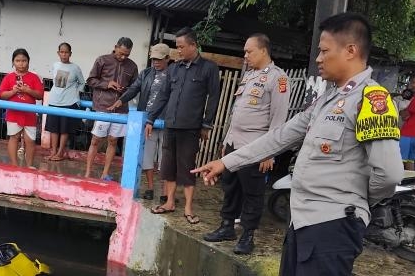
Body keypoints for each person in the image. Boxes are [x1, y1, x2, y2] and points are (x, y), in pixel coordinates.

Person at [193, 12, 403, 276]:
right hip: (305, 219)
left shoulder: (372, 99)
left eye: (325, 50)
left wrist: (354, 201)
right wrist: (227, 160)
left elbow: (389, 176)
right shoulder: (330, 97)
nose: (319, 58)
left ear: (351, 50)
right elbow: (281, 136)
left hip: (332, 223)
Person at [204, 33, 290, 254]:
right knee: (230, 187)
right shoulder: (249, 76)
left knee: (253, 192)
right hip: (234, 143)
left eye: (249, 51)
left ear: (263, 51)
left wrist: (269, 153)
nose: (245, 55)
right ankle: (226, 226)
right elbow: (237, 112)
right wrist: (226, 142)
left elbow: (278, 119)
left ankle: (247, 235)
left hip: (256, 147)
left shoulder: (278, 79)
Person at [147, 27, 221, 224]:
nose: (178, 51)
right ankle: (170, 202)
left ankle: (188, 207)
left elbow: (214, 98)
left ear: (193, 45)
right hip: (170, 125)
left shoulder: (209, 68)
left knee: (187, 168)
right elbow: (163, 95)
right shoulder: (174, 69)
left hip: (190, 127)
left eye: (181, 47)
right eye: (177, 47)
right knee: (168, 166)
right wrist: (150, 118)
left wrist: (206, 124)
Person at [109, 43, 171, 200]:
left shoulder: (174, 74)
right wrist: (121, 100)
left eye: (159, 59)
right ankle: (150, 188)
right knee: (147, 157)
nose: (156, 62)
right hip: (147, 120)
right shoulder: (146, 73)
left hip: (166, 121)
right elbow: (134, 88)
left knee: (166, 158)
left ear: (167, 59)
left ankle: (165, 192)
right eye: (154, 59)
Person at [85, 37, 138, 180]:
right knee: (95, 140)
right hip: (103, 106)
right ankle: (88, 172)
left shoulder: (132, 66)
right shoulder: (102, 60)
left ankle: (104, 173)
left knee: (113, 140)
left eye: (127, 54)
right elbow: (90, 80)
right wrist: (107, 84)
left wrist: (125, 90)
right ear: (115, 47)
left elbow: (135, 87)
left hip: (121, 109)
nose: (123, 57)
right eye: (121, 53)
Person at [0, 48, 44, 168]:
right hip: (13, 113)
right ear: (13, 62)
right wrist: (13, 91)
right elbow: (1, 95)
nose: (21, 63)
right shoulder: (8, 77)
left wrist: (27, 90)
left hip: (29, 114)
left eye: (23, 60)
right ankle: (14, 165)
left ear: (28, 61)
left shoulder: (34, 77)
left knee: (30, 141)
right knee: (14, 138)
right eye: (18, 60)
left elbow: (40, 95)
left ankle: (29, 166)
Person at [45, 42, 84, 162]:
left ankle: (60, 152)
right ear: (58, 53)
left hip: (68, 102)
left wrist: (76, 93)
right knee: (53, 128)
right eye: (61, 52)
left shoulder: (75, 68)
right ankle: (53, 152)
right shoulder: (55, 65)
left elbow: (82, 83)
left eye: (66, 52)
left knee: (64, 129)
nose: (64, 54)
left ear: (70, 54)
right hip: (54, 100)